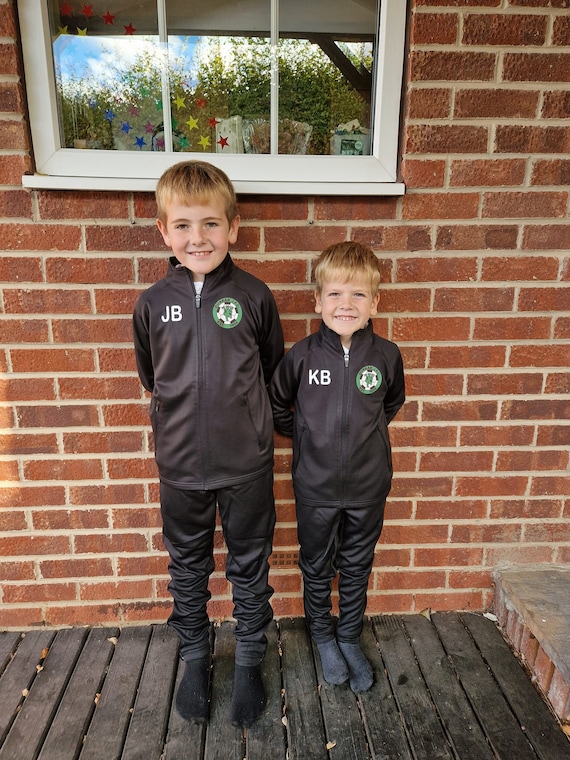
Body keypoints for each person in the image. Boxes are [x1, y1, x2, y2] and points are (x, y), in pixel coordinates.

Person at [132, 160, 284, 727]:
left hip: (246, 464)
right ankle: (196, 658)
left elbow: (270, 368)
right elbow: (153, 377)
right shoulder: (151, 304)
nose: (199, 238)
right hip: (179, 466)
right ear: (164, 232)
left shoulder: (253, 295)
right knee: (188, 566)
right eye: (185, 226)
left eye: (212, 224)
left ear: (234, 227)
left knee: (249, 566)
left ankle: (248, 660)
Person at [269, 241, 405, 693]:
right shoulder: (303, 356)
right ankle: (322, 635)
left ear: (375, 303)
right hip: (316, 487)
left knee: (357, 563)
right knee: (317, 564)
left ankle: (348, 635)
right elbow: (277, 404)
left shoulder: (386, 355)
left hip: (368, 487)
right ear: (317, 300)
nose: (346, 305)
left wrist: (364, 439)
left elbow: (391, 403)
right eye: (335, 295)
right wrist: (306, 434)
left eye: (359, 296)